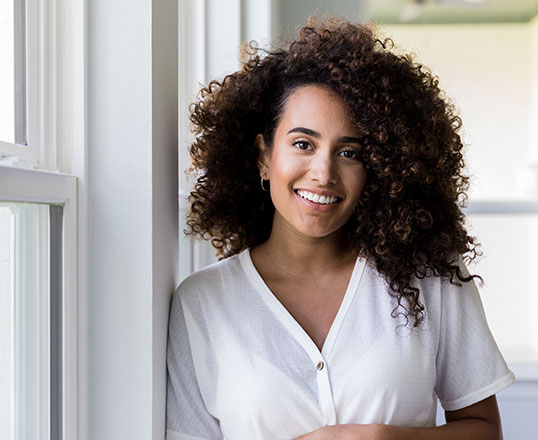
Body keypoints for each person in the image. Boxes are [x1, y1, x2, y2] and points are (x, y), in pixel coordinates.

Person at [166, 17, 514, 440]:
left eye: (350, 152)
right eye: (302, 144)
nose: (323, 172)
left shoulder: (429, 276)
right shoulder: (201, 304)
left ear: (379, 169)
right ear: (263, 156)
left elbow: (484, 431)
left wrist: (383, 439)